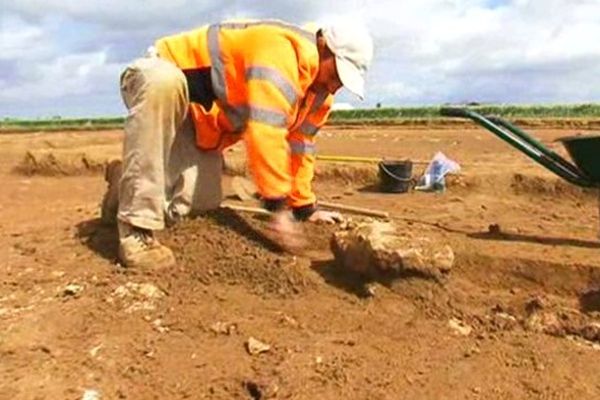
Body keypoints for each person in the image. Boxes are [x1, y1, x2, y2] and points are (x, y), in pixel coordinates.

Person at [101, 19, 374, 269]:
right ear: (324, 47)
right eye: (338, 74)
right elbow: (266, 132)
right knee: (165, 82)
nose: (337, 87)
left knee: (195, 206)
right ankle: (136, 232)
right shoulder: (280, 53)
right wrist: (278, 208)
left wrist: (304, 208)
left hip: (199, 120)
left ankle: (124, 177)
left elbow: (300, 146)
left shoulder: (319, 95)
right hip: (160, 79)